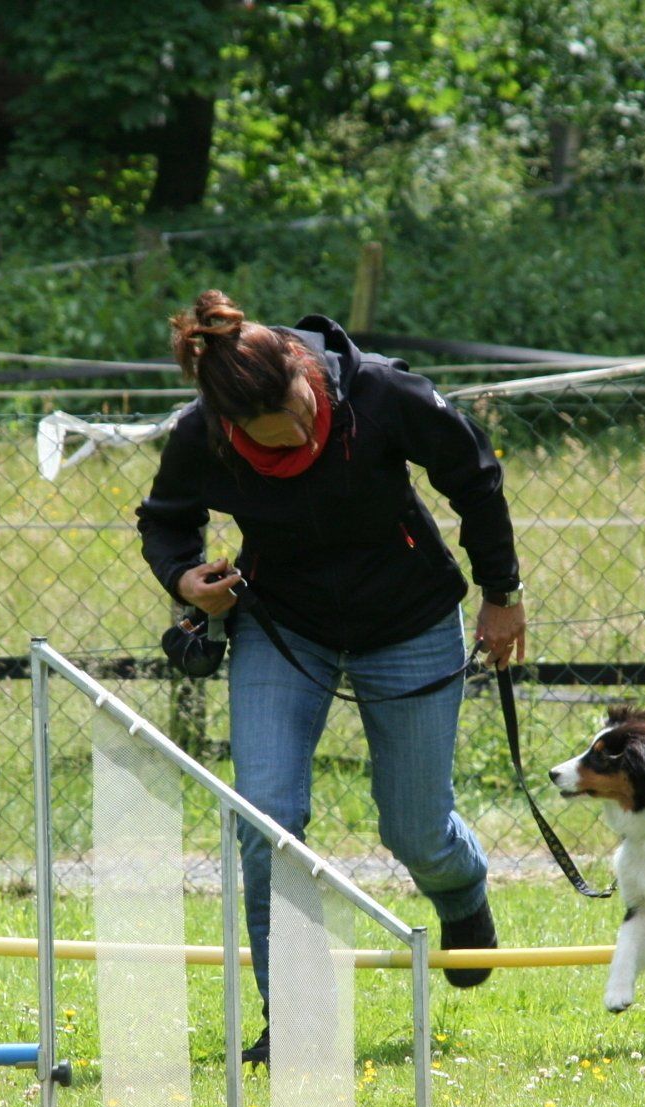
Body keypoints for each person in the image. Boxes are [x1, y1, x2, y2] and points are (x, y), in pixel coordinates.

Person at [137, 289, 526, 1065]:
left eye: (308, 405)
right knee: (266, 819)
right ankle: (297, 1018)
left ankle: (462, 888)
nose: (310, 425)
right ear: (237, 427)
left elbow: (474, 475)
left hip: (410, 619)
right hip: (285, 630)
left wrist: (502, 595)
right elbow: (165, 518)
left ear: (302, 369)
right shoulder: (201, 434)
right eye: (287, 428)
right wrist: (186, 581)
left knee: (415, 830)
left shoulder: (381, 392)